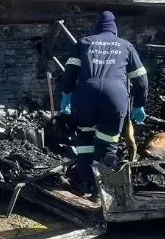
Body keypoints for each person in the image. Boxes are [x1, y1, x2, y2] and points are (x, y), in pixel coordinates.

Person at [62, 11, 148, 194]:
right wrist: (140, 104)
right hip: (115, 96)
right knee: (108, 143)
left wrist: (66, 95)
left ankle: (84, 184)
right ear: (115, 30)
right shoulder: (126, 46)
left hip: (86, 95)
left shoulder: (84, 42)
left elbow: (70, 73)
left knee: (85, 137)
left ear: (96, 28)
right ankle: (105, 190)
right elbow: (141, 79)